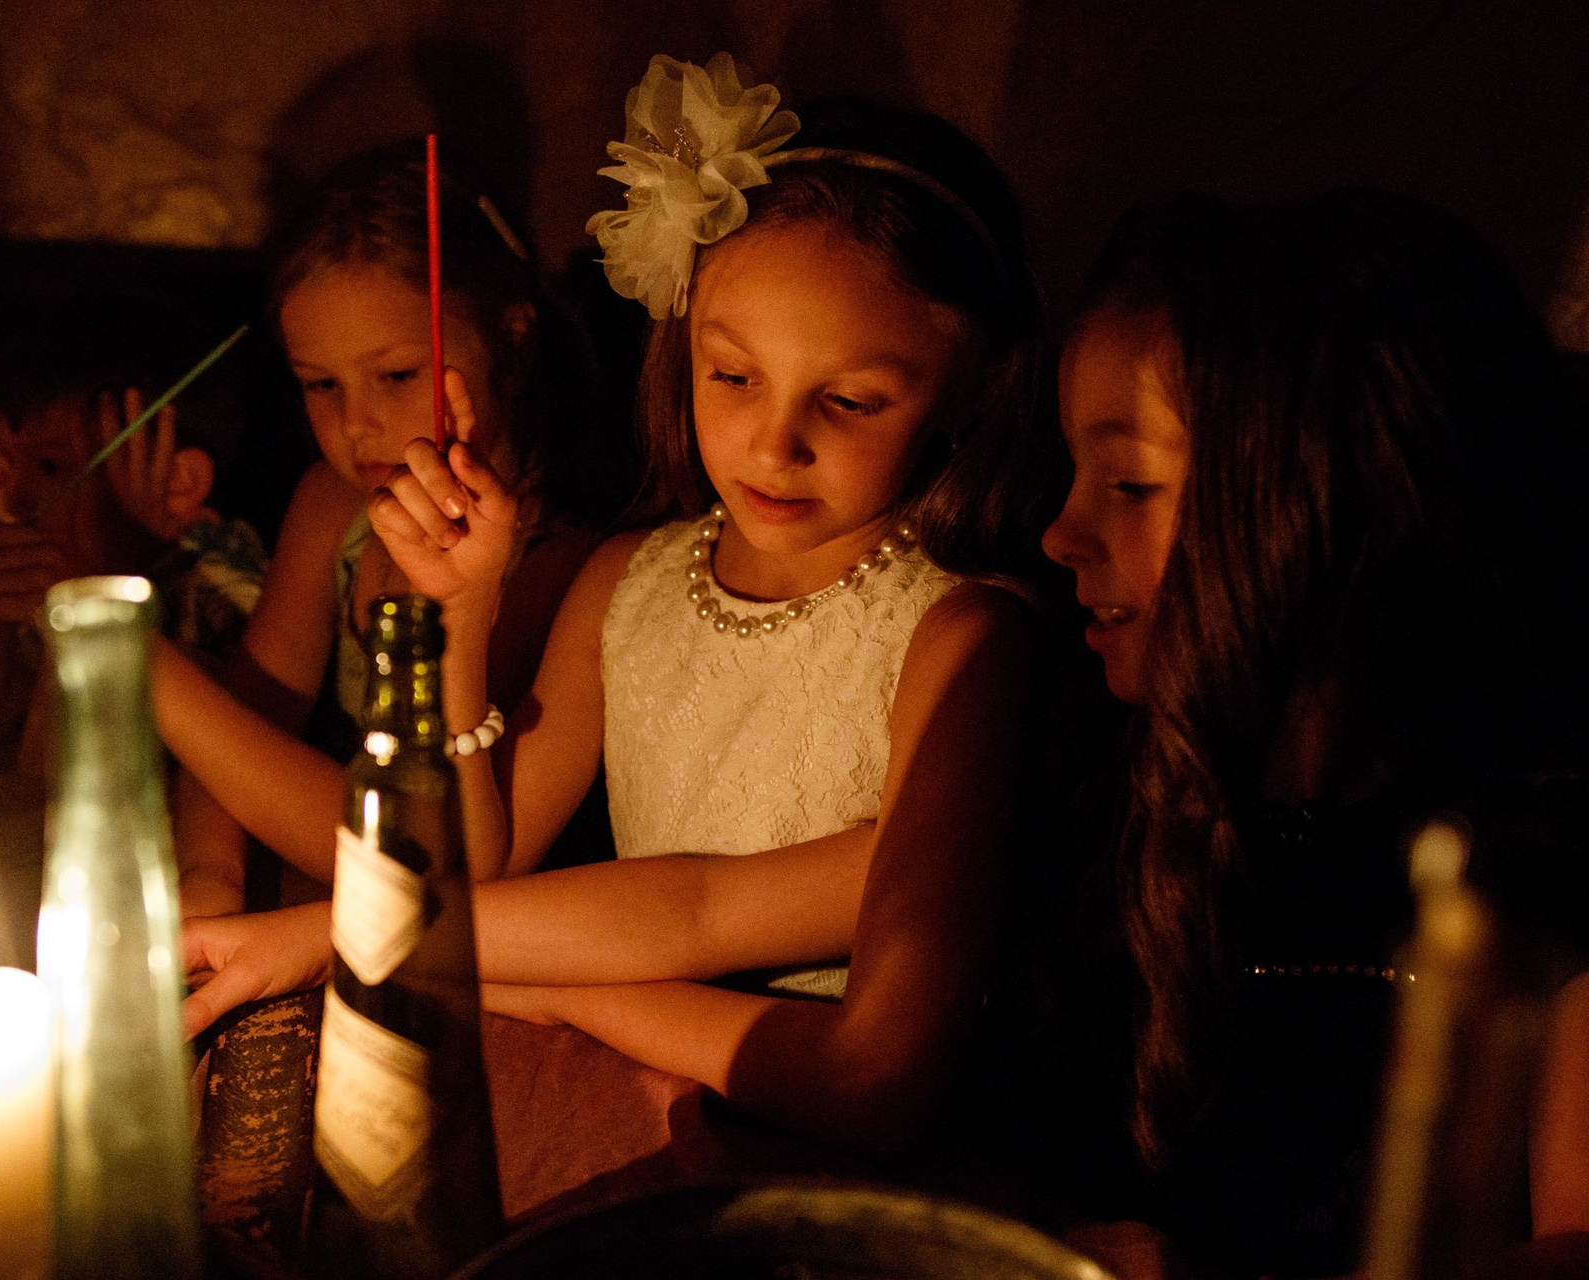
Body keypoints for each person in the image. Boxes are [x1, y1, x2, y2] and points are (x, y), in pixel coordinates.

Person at [182, 60, 1056, 1196]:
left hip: (828, 1183)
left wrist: (477, 965)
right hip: (637, 1111)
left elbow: (732, 939)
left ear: (966, 389)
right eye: (732, 375)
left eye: (848, 400)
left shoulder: (961, 639)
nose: (773, 442)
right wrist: (465, 619)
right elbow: (484, 861)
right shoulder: (629, 580)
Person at [1028, 190, 1589, 1279]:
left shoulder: (1532, 866)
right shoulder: (1096, 794)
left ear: (1335, 504)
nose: (1061, 531)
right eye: (1074, 475)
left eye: (1133, 483)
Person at [160, 141, 627, 916]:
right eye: (321, 385)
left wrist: (153, 676)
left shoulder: (575, 565)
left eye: (398, 375)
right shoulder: (332, 507)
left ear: (512, 338)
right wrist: (209, 884)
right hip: (311, 915)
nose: (357, 424)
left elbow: (440, 861)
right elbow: (246, 728)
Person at [0, 294, 263, 776]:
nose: (14, 495)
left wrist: (96, 598)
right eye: (7, 462)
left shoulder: (220, 592)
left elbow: (52, 778)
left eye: (49, 467)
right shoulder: (56, 567)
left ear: (177, 482)